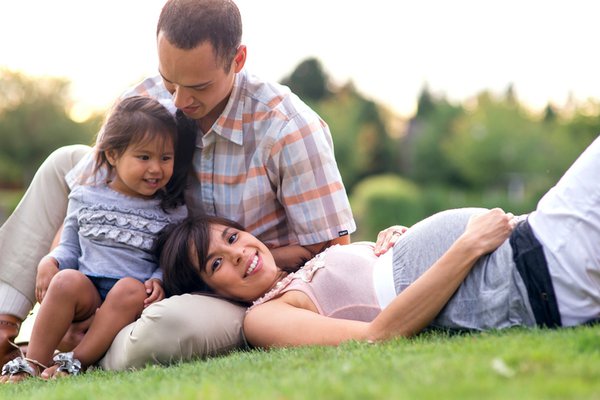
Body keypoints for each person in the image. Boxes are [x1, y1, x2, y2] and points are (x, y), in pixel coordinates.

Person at [0, 0, 355, 369]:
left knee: (161, 332)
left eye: (198, 86)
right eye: (170, 80)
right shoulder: (146, 99)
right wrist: (66, 270)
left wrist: (241, 257)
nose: (179, 102)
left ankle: (89, 348)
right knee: (67, 161)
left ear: (237, 60)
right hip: (135, 263)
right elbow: (92, 195)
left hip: (229, 291)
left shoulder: (288, 127)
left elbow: (331, 251)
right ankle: (6, 327)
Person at [158, 135, 600, 348]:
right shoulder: (263, 318)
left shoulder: (302, 272)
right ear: (209, 292)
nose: (238, 253)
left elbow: (377, 287)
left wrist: (385, 247)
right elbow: (377, 333)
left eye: (232, 237)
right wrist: (464, 246)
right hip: (529, 274)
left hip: (530, 250)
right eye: (216, 264)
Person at [0, 96, 192, 382]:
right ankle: (33, 362)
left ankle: (75, 361)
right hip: (87, 289)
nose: (156, 168)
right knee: (66, 280)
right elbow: (70, 246)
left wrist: (158, 279)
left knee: (130, 288)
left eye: (166, 158)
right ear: (113, 155)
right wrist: (50, 261)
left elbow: (170, 258)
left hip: (129, 300)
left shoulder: (172, 211)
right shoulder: (85, 196)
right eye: (144, 157)